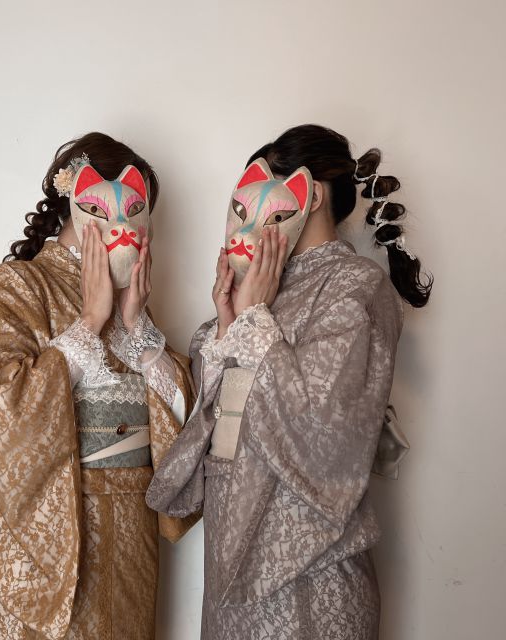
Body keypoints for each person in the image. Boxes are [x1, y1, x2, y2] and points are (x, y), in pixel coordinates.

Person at [147, 124, 433, 639]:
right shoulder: (260, 285)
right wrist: (228, 326)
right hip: (230, 545)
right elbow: (216, 425)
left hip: (313, 564)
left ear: (311, 195)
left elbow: (330, 427)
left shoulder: (356, 286)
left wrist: (252, 321)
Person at [0, 132, 198, 640]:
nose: (127, 226)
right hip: (53, 536)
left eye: (139, 210)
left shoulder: (135, 304)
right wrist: (89, 322)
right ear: (75, 202)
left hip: (129, 536)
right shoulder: (19, 284)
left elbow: (186, 422)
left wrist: (137, 329)